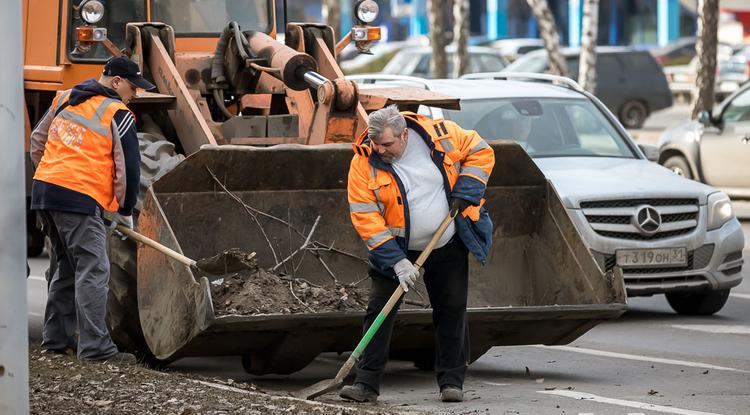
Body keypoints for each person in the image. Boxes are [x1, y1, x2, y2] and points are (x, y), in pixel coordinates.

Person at [341, 104, 495, 403]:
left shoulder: (441, 136)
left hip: (446, 241)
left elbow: (481, 150)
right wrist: (397, 262)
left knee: (451, 309)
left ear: (405, 135)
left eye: (387, 144)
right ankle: (366, 384)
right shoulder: (363, 163)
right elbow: (366, 218)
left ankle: (452, 382)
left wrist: (468, 187)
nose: (380, 149)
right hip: (396, 248)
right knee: (380, 312)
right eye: (375, 143)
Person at [29, 56, 155, 362]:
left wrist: (53, 175)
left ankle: (56, 342)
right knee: (94, 269)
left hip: (45, 192)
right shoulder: (117, 113)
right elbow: (129, 169)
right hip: (78, 199)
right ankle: (96, 349)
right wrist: (125, 210)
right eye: (132, 87)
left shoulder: (64, 98)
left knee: (65, 267)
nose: (134, 94)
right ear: (115, 82)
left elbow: (37, 142)